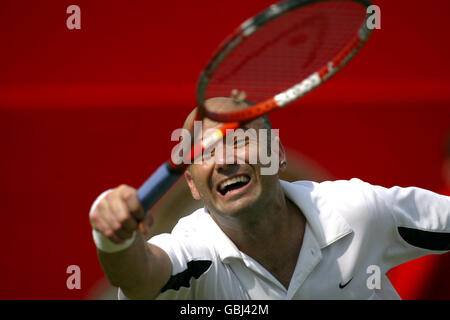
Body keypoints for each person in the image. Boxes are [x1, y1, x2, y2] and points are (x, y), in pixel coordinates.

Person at [89, 97, 450, 300]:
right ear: (193, 185)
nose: (226, 160)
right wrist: (112, 237)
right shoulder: (193, 257)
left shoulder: (358, 211)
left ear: (276, 154)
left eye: (239, 140)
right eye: (206, 151)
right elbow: (138, 276)